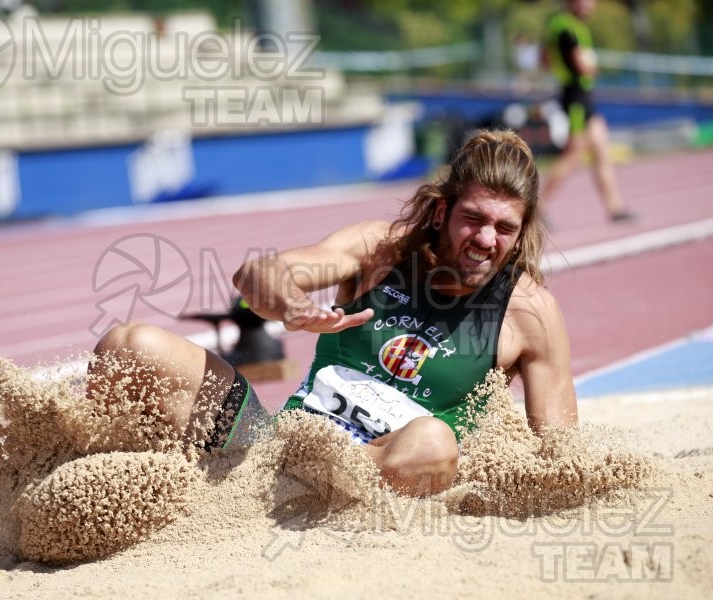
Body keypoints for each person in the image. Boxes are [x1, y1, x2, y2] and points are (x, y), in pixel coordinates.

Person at [88, 130, 578, 498]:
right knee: (130, 345)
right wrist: (293, 304)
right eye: (473, 219)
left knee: (434, 442)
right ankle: (111, 482)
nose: (487, 240)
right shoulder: (379, 251)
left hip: (375, 475)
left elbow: (561, 452)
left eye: (504, 228)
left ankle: (306, 487)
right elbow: (257, 276)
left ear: (523, 230)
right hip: (270, 449)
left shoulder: (528, 313)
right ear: (440, 213)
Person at [541, 0, 634, 222]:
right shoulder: (568, 28)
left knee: (602, 149)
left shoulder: (559, 24)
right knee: (573, 155)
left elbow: (543, 60)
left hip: (580, 96)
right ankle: (537, 207)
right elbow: (582, 66)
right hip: (577, 98)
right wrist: (593, 68)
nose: (591, 5)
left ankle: (615, 208)